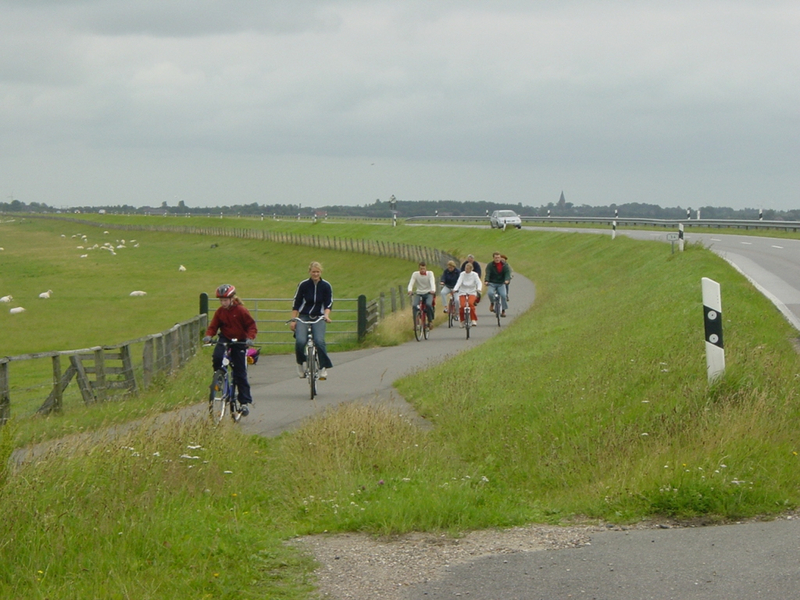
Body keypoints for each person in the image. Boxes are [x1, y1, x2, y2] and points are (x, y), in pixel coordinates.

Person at [203, 284, 258, 416]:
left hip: (239, 341)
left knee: (240, 373)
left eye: (225, 300)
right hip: (225, 338)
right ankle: (219, 377)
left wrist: (250, 338)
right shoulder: (220, 312)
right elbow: (213, 326)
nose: (223, 303)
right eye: (221, 300)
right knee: (217, 356)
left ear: (232, 298)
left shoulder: (241, 311)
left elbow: (251, 326)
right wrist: (209, 335)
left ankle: (244, 402)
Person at [290, 261, 333, 379]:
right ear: (309, 272)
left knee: (319, 341)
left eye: (317, 272)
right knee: (300, 341)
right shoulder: (303, 285)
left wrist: (326, 316)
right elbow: (296, 303)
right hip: (303, 316)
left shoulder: (326, 286)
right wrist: (294, 320)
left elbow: (328, 303)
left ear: (321, 272)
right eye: (313, 272)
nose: (315, 274)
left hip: (319, 316)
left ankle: (323, 368)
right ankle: (300, 363)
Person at [452, 261, 482, 327]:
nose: (466, 270)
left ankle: (473, 319)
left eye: (468, 269)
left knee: (471, 304)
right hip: (463, 291)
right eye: (466, 268)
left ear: (471, 269)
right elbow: (459, 282)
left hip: (472, 291)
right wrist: (455, 289)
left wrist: (479, 288)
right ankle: (462, 321)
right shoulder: (462, 274)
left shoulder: (474, 275)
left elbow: (479, 282)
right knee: (462, 306)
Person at [407, 261, 436, 327]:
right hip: (419, 293)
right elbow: (411, 283)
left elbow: (432, 282)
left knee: (428, 304)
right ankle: (415, 324)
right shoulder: (415, 274)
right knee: (414, 306)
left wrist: (433, 290)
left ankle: (430, 320)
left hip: (428, 293)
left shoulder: (430, 274)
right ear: (418, 269)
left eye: (424, 269)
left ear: (426, 268)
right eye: (421, 269)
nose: (422, 270)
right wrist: (410, 290)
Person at [485, 251, 511, 317]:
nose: (497, 259)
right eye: (496, 257)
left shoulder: (504, 265)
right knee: (490, 293)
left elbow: (507, 273)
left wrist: (507, 280)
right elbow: (488, 273)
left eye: (498, 257)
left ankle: (503, 310)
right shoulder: (490, 265)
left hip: (501, 283)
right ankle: (492, 303)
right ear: (493, 258)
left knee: (503, 295)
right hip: (492, 283)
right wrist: (486, 281)